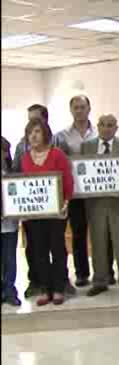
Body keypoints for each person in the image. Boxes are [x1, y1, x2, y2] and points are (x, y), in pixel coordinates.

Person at [55, 95, 115, 288]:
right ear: (71, 110)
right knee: (79, 233)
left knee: (103, 232)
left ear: (89, 108)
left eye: (83, 107)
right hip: (75, 192)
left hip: (97, 191)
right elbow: (59, 163)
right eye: (76, 108)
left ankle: (107, 271)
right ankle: (81, 273)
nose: (79, 111)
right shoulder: (62, 135)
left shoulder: (99, 133)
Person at [82, 115, 119, 297]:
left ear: (116, 128)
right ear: (97, 127)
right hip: (95, 202)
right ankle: (99, 280)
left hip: (118, 202)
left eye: (110, 125)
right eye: (103, 125)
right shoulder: (87, 146)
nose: (106, 128)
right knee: (97, 241)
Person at [21, 118, 73, 306]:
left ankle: (59, 288)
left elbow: (67, 181)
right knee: (39, 251)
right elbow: (24, 186)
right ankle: (44, 288)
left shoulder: (57, 154)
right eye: (30, 132)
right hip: (35, 215)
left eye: (37, 132)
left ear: (45, 134)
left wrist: (66, 203)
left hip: (56, 213)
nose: (33, 136)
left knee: (57, 249)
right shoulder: (26, 157)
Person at [14, 104, 50, 298]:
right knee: (33, 246)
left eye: (35, 119)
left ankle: (57, 281)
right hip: (29, 205)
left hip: (52, 207)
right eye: (29, 119)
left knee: (54, 245)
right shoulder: (21, 145)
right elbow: (15, 172)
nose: (31, 124)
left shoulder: (57, 142)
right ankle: (35, 281)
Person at [1, 136, 21, 307]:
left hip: (10, 226)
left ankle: (9, 290)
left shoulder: (12, 173)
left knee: (10, 259)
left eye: (4, 150)